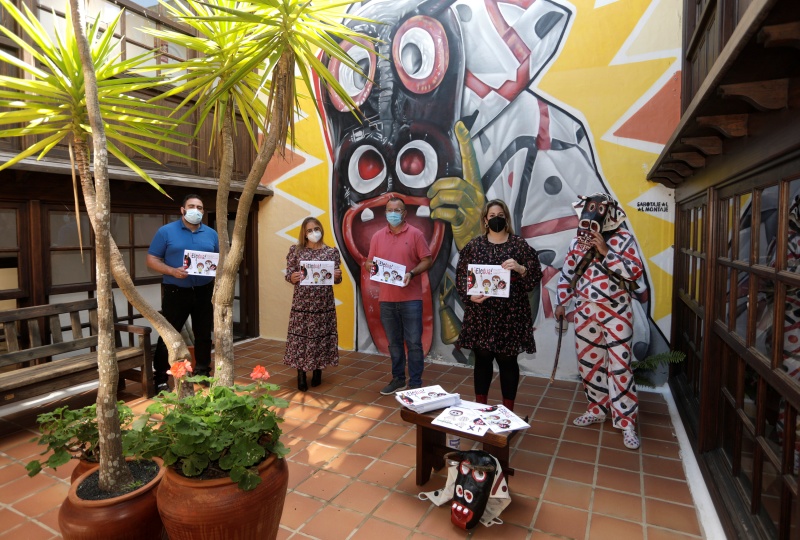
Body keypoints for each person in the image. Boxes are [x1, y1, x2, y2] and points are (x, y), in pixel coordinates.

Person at [554, 193, 644, 450]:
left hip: (616, 311)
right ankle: (597, 409)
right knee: (589, 364)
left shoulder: (623, 239)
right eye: (591, 207)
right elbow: (568, 273)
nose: (594, 212)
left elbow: (634, 272)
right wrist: (562, 302)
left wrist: (606, 251)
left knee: (620, 367)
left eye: (600, 208)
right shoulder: (577, 241)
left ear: (610, 213)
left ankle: (626, 422)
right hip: (585, 310)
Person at [455, 200, 542, 412]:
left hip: (511, 314)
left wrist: (520, 268)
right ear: (485, 220)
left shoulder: (519, 245)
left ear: (506, 218)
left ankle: (507, 411)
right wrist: (469, 295)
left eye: (500, 215)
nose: (496, 219)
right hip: (481, 314)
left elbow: (534, 277)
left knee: (508, 361)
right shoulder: (474, 246)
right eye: (492, 216)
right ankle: (481, 408)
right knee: (482, 359)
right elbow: (461, 277)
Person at [147, 194, 219, 390]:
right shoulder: (166, 231)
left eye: (200, 207)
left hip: (204, 290)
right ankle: (160, 378)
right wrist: (172, 271)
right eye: (192, 206)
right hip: (176, 291)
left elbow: (218, 259)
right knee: (169, 334)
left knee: (203, 334)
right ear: (183, 209)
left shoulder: (211, 234)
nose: (196, 210)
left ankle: (202, 372)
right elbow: (152, 259)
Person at [367, 196, 433, 395]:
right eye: (389, 210)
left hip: (411, 300)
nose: (393, 214)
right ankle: (398, 379)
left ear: (404, 213)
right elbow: (369, 262)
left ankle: (415, 383)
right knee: (394, 343)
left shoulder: (416, 234)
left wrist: (411, 273)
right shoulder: (377, 236)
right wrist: (372, 267)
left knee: (414, 343)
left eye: (397, 210)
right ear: (385, 212)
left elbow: (427, 260)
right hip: (386, 300)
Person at [284, 217, 343, 391]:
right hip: (302, 305)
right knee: (301, 339)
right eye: (309, 230)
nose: (313, 233)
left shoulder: (331, 252)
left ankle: (318, 370)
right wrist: (292, 277)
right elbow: (289, 274)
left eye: (316, 229)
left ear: (321, 230)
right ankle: (301, 374)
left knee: (320, 337)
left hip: (323, 305)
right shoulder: (296, 251)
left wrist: (337, 277)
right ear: (304, 233)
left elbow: (337, 279)